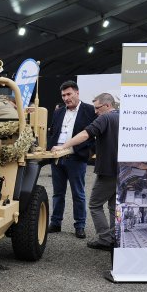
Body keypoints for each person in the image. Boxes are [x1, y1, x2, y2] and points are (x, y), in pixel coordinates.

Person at [52, 92, 119, 251]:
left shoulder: (105, 118)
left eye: (97, 108)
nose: (95, 112)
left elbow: (84, 134)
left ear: (107, 105)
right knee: (112, 207)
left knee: (95, 205)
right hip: (124, 170)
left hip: (108, 171)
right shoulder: (123, 117)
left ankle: (105, 239)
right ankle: (115, 237)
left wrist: (63, 146)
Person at [47, 80, 96, 239]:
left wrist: (88, 152)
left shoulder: (89, 110)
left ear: (77, 93)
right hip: (57, 158)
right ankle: (55, 222)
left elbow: (94, 135)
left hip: (76, 157)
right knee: (57, 193)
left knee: (78, 193)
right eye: (63, 95)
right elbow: (53, 132)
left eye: (69, 94)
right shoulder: (58, 112)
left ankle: (80, 225)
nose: (66, 98)